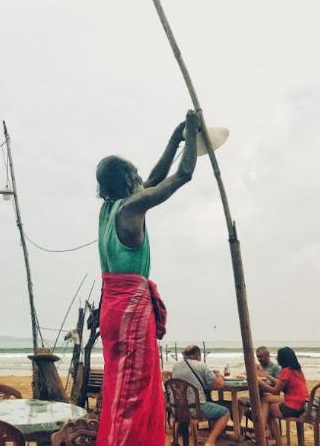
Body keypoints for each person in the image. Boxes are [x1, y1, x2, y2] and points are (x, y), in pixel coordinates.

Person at [96, 111, 201, 446]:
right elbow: (182, 175)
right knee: (134, 397)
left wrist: (174, 140)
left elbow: (152, 181)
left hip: (113, 308)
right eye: (135, 173)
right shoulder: (130, 207)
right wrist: (194, 137)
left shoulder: (109, 209)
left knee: (121, 390)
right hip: (130, 313)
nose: (141, 177)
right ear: (127, 181)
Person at [172, 345, 230, 446]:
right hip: (195, 409)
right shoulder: (201, 366)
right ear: (198, 355)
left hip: (177, 409)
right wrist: (220, 375)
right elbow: (219, 385)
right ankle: (210, 441)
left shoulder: (175, 367)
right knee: (225, 412)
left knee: (211, 403)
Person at [258, 347, 310, 445]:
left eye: (278, 356)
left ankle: (265, 435)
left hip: (293, 407)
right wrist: (267, 376)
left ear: (283, 358)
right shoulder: (297, 370)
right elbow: (281, 383)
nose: (277, 359)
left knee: (268, 407)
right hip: (302, 403)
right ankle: (263, 431)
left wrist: (259, 381)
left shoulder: (286, 371)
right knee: (265, 398)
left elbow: (275, 391)